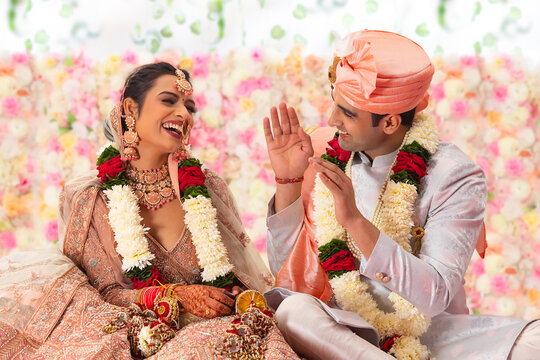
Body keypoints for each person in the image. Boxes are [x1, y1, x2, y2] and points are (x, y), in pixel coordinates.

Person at [263, 30, 539, 360]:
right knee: (293, 311)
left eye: (347, 113)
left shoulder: (453, 175)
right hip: (342, 326)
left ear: (391, 122)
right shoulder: (322, 149)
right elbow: (290, 273)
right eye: (336, 105)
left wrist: (354, 221)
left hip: (429, 335)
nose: (332, 120)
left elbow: (435, 295)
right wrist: (288, 179)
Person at [0, 62, 299, 359]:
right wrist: (175, 296)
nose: (183, 114)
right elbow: (101, 296)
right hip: (140, 336)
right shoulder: (90, 199)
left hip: (216, 331)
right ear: (130, 109)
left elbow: (237, 274)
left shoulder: (208, 187)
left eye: (190, 107)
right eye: (169, 101)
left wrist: (229, 294)